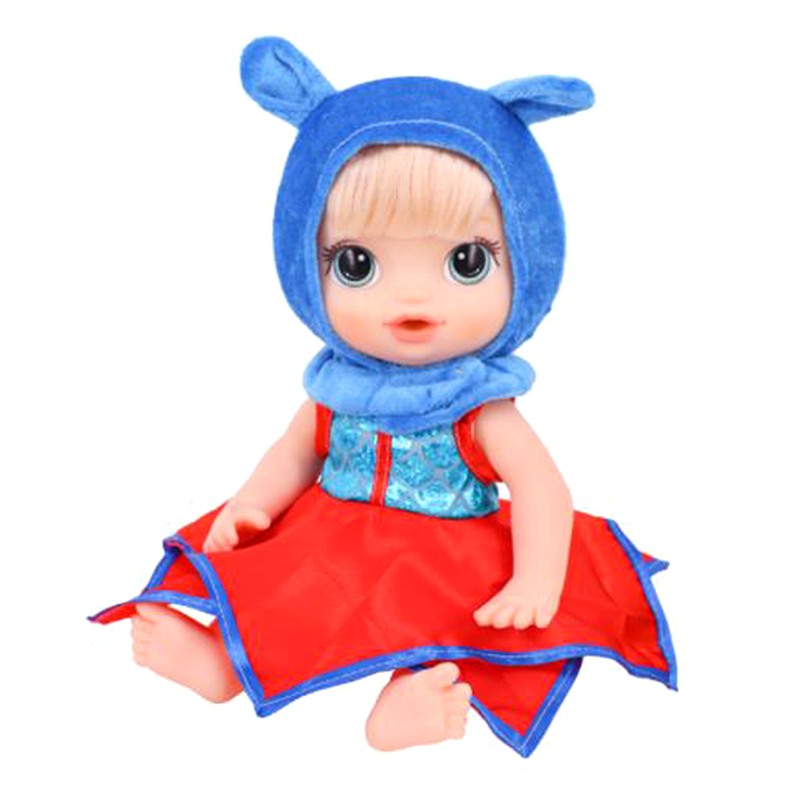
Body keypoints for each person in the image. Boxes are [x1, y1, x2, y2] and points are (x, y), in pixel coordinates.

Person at [91, 37, 676, 757]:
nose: (412, 296)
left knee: (448, 615)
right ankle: (222, 665)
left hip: (445, 545)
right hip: (334, 532)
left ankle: (409, 697)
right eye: (357, 264)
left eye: (465, 262)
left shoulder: (479, 405)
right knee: (287, 590)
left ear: (526, 258)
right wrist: (253, 503)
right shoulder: (336, 389)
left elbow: (540, 487)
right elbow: (294, 453)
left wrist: (536, 578)